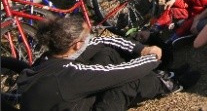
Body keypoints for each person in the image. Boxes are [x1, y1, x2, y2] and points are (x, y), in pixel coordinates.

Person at [17, 15, 182, 110]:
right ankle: (168, 83)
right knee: (128, 83)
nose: (91, 38)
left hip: (64, 103)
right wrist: (151, 59)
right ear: (78, 44)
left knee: (105, 53)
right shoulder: (72, 75)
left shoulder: (50, 58)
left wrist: (141, 49)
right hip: (70, 99)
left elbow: (101, 42)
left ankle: (158, 76)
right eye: (87, 36)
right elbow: (123, 72)